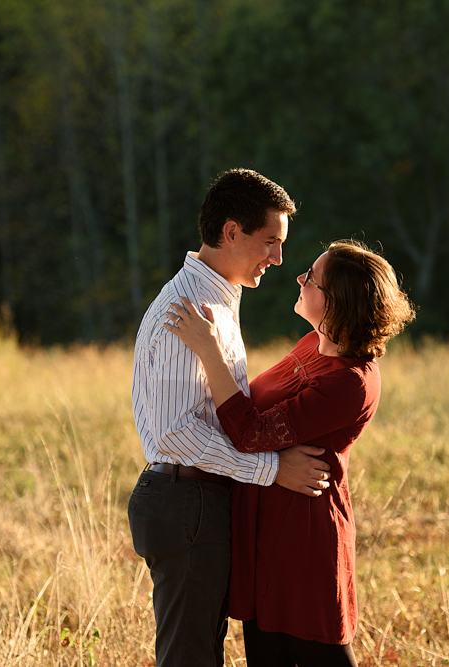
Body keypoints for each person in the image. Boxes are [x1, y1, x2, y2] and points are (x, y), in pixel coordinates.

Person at [165, 239, 416, 667]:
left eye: (312, 278)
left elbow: (251, 430)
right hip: (262, 522)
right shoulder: (311, 344)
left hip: (303, 536)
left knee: (321, 651)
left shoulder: (351, 381)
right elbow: (252, 408)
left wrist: (208, 349)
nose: (300, 279)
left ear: (337, 303)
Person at [128, 168, 333, 667]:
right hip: (187, 499)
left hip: (195, 499)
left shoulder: (217, 299)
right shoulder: (192, 307)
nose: (278, 258)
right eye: (270, 241)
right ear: (231, 232)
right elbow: (175, 433)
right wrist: (271, 469)